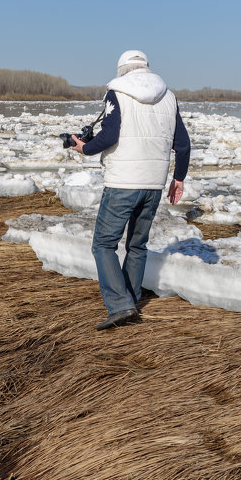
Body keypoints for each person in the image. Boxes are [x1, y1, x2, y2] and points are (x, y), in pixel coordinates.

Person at [71, 50, 191, 330]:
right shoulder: (169, 96)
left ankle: (120, 305)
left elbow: (110, 135)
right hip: (153, 184)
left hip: (123, 182)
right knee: (137, 245)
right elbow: (183, 145)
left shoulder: (117, 91)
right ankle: (131, 299)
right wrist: (179, 179)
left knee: (103, 244)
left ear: (121, 69)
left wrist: (84, 148)